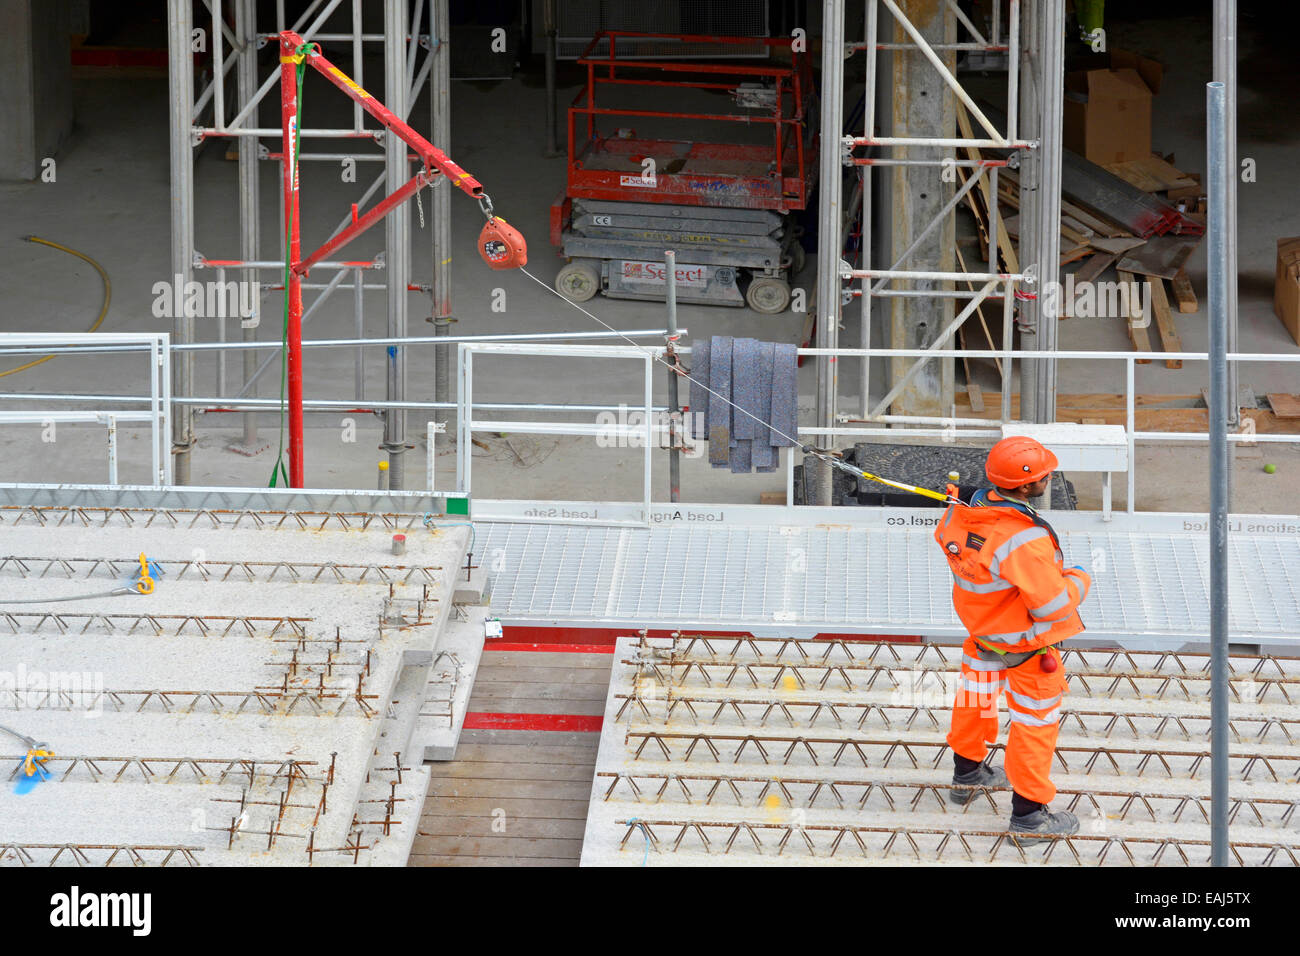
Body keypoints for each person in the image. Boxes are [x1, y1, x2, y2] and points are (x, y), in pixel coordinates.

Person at [933, 436, 1091, 844]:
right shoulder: (1022, 539)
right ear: (1023, 487)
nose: (1048, 479)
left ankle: (966, 774)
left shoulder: (961, 513)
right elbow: (1053, 608)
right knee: (1034, 724)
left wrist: (966, 497)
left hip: (983, 631)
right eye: (1043, 476)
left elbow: (961, 538)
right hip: (1025, 644)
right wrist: (1077, 579)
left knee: (974, 700)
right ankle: (1029, 817)